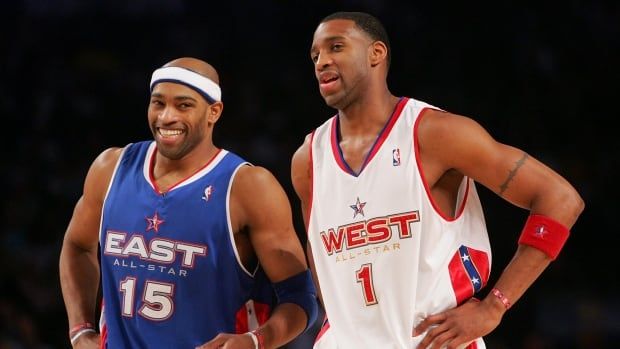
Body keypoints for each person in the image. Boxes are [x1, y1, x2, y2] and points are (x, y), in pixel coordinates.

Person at [291, 11, 584, 349]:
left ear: (376, 53)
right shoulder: (307, 159)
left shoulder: (435, 133)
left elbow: (560, 199)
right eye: (315, 55)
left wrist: (495, 305)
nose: (322, 61)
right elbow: (322, 261)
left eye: (336, 47)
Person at [59, 57, 317, 349]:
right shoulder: (110, 169)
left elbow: (300, 297)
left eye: (183, 105)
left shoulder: (248, 187)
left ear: (213, 112)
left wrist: (255, 341)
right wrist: (80, 330)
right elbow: (77, 246)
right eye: (158, 103)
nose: (166, 117)